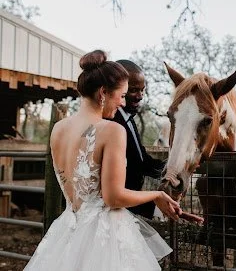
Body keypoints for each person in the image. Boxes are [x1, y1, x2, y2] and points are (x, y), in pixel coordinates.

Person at [24, 50, 185, 270]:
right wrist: (157, 194)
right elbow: (113, 197)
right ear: (103, 93)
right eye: (121, 95)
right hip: (103, 237)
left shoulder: (58, 129)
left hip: (69, 228)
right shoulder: (112, 131)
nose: (121, 103)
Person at [111, 59, 164, 219]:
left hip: (130, 206)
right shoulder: (111, 123)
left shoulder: (129, 118)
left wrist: (170, 171)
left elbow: (141, 160)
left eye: (143, 90)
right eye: (134, 90)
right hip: (119, 205)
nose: (140, 96)